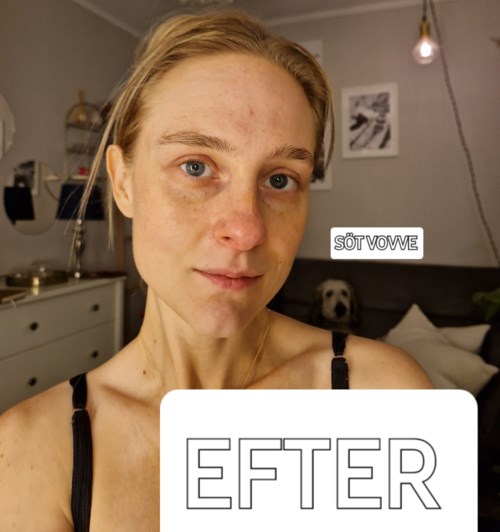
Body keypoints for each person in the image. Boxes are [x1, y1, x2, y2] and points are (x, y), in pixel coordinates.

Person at [0, 10, 431, 532]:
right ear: (123, 182)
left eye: (280, 179)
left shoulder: (384, 396)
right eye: (196, 167)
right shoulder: (30, 453)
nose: (246, 230)